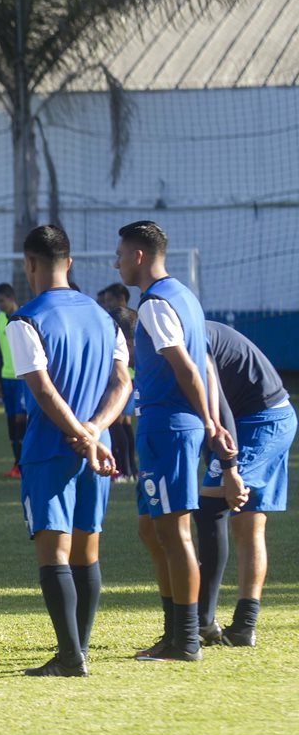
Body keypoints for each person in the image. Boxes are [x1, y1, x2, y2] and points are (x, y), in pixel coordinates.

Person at [6, 226, 130, 677]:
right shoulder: (105, 316)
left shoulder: (24, 319)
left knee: (55, 554)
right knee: (87, 552)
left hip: (50, 448)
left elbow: (41, 388)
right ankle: (77, 651)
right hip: (99, 450)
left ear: (30, 264)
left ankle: (70, 656)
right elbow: (123, 383)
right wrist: (95, 432)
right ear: (70, 263)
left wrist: (77, 432)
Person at [117, 221, 230, 662]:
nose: (117, 262)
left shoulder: (155, 304)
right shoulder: (184, 295)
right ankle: (174, 631)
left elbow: (186, 366)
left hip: (170, 427)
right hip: (168, 427)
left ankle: (185, 639)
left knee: (175, 530)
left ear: (139, 257)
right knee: (152, 528)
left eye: (121, 254)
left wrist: (208, 420)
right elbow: (201, 363)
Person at [195, 321, 294, 646]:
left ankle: (202, 622)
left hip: (262, 420)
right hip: (253, 418)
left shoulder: (181, 333)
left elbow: (217, 401)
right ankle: (243, 627)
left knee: (210, 504)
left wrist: (229, 467)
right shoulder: (180, 324)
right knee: (247, 525)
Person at [99, 283, 139, 480]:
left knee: (117, 423)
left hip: (125, 380)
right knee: (123, 424)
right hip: (127, 379)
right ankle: (131, 469)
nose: (107, 304)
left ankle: (124, 470)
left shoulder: (123, 322)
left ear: (122, 298)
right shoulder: (121, 320)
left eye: (110, 300)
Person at [0, 283, 28, 479]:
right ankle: (17, 463)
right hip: (6, 379)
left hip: (22, 378)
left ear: (11, 298)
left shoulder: (24, 316)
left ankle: (24, 463)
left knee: (21, 420)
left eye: (1, 301)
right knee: (11, 424)